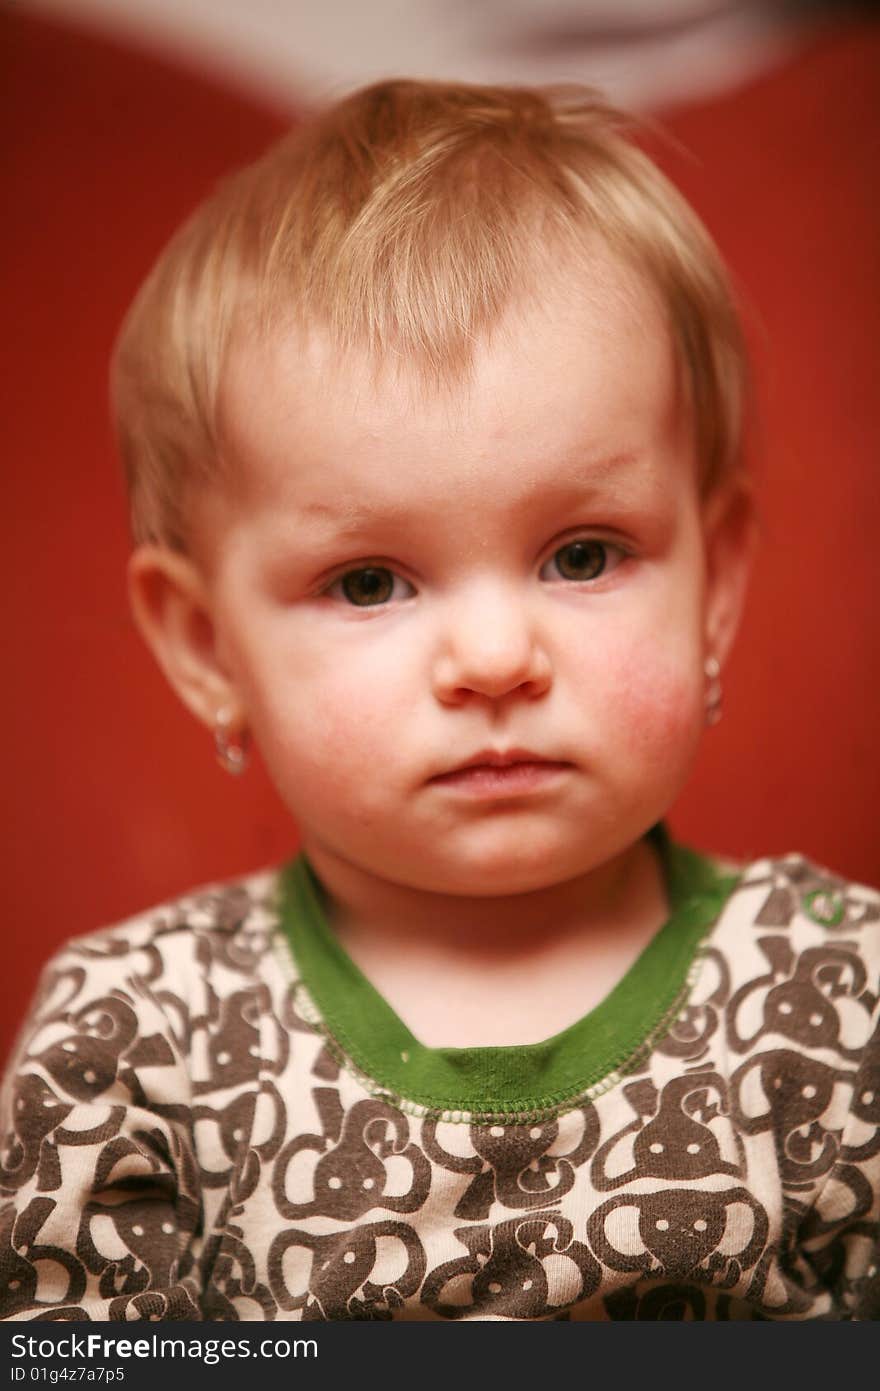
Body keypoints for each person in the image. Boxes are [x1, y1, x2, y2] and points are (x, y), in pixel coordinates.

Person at [1, 79, 877, 1324]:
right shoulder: (136, 1039)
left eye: (582, 553)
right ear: (206, 643)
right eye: (369, 579)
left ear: (714, 582)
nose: (492, 655)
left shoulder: (833, 990)